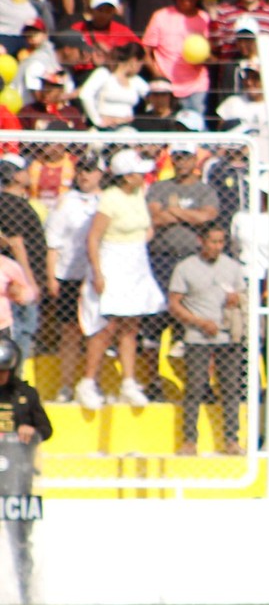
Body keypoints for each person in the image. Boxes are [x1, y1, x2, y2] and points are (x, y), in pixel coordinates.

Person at [78, 150, 164, 411]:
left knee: (131, 324)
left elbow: (146, 228)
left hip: (136, 261)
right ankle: (88, 382)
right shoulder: (109, 199)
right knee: (107, 326)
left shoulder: (139, 193)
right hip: (113, 260)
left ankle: (128, 382)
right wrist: (98, 272)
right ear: (126, 177)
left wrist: (137, 243)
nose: (143, 176)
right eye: (138, 172)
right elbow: (93, 238)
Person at [166, 222, 246, 456]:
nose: (217, 247)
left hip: (227, 336)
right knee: (195, 388)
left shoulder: (232, 267)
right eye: (213, 242)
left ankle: (231, 440)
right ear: (201, 241)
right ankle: (190, 440)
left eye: (221, 242)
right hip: (197, 336)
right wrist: (199, 323)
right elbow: (174, 303)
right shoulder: (185, 267)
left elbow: (243, 295)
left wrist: (236, 300)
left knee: (230, 389)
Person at [0, 337, 50, 603]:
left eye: (5, 371)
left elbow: (47, 429)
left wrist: (32, 431)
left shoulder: (26, 394)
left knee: (21, 538)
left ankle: (25, 592)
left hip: (18, 477)